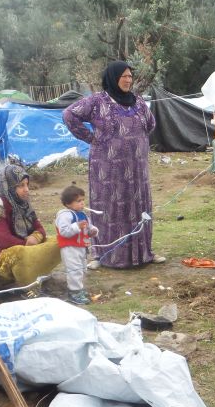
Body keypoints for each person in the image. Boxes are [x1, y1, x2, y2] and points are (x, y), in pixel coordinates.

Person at [63, 60, 163, 269]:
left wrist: (135, 143)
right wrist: (90, 138)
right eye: (124, 76)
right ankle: (103, 255)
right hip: (107, 168)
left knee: (138, 205)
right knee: (110, 207)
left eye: (130, 76)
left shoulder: (137, 101)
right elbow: (69, 114)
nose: (128, 80)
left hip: (136, 167)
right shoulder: (97, 101)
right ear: (113, 78)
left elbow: (151, 123)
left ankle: (143, 253)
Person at [0, 161, 60, 289]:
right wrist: (29, 244)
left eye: (27, 184)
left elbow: (39, 228)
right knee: (20, 253)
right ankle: (26, 286)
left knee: (59, 241)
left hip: (24, 244)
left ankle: (35, 275)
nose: (26, 189)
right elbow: (5, 240)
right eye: (21, 185)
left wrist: (35, 237)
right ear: (9, 186)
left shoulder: (22, 202)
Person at [55, 185, 98, 305]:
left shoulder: (82, 214)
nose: (82, 203)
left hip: (81, 248)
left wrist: (92, 231)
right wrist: (76, 226)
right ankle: (74, 292)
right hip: (70, 248)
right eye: (78, 201)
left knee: (82, 268)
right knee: (74, 270)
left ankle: (79, 289)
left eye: (83, 200)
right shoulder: (64, 215)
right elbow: (64, 231)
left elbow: (88, 228)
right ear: (68, 203)